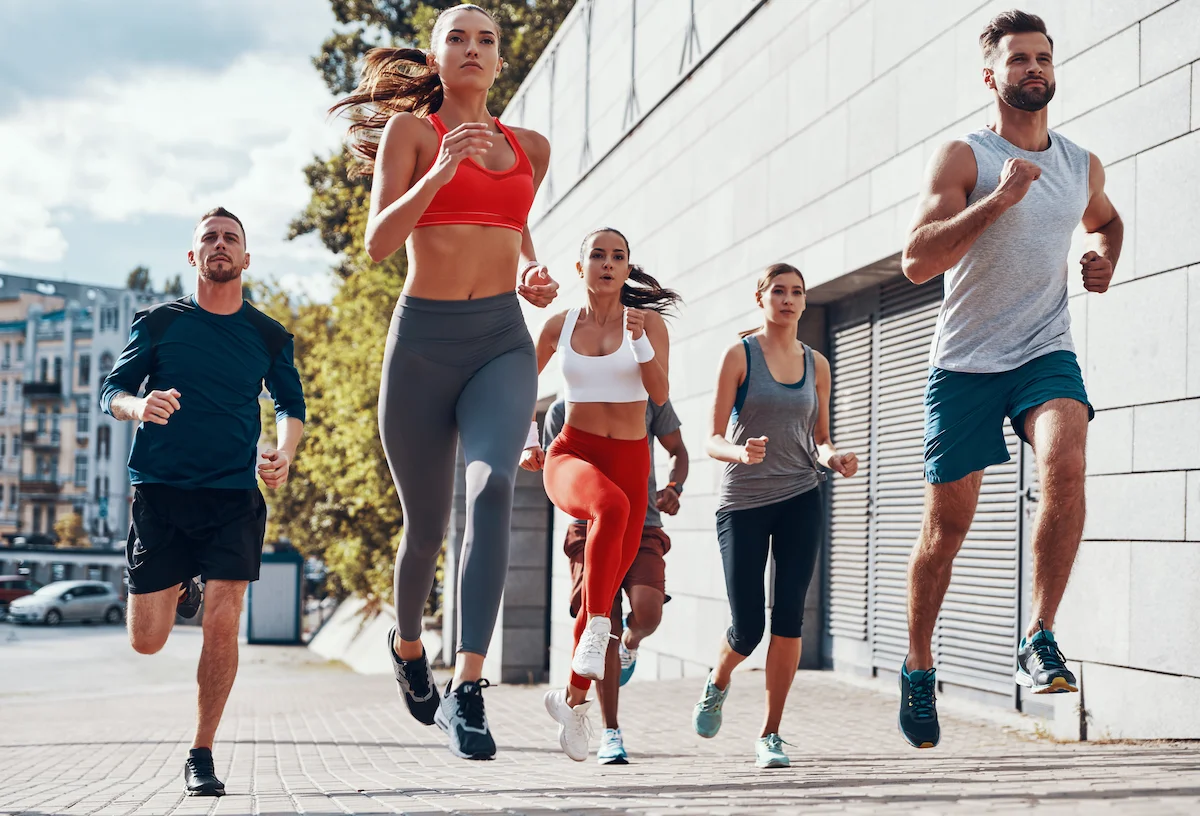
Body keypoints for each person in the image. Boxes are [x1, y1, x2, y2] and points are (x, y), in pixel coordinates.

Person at [329, 3, 558, 761]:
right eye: (455, 38)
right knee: (424, 528)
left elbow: (518, 225)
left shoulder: (530, 147)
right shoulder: (412, 134)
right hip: (422, 343)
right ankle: (407, 647)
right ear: (434, 59)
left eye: (485, 40)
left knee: (492, 488)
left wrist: (530, 268)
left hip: (500, 341)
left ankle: (469, 688)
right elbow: (377, 243)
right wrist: (442, 170)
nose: (471, 48)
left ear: (501, 61)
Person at [897, 9, 1121, 749]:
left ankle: (1039, 636)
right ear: (989, 75)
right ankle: (920, 665)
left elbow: (1106, 221)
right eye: (1019, 58)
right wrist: (998, 200)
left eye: (1043, 58)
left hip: (1043, 348)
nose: (1034, 68)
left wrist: (1103, 258)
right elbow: (916, 262)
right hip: (963, 361)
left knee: (1067, 459)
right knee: (947, 529)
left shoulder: (1081, 164)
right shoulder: (964, 156)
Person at [99, 207, 306, 797]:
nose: (220, 245)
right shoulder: (159, 323)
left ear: (245, 258)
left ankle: (202, 752)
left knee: (224, 621)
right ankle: (175, 584)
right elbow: (111, 390)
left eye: (230, 238)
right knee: (148, 641)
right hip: (161, 493)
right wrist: (139, 407)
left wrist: (284, 452)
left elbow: (291, 407)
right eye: (209, 238)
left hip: (232, 496)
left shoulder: (268, 335)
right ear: (193, 258)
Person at [692, 263, 857, 769]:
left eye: (797, 292)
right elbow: (711, 437)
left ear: (805, 302)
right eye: (779, 291)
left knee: (789, 617)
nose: (788, 299)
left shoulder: (817, 363)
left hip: (801, 495)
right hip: (743, 502)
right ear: (760, 298)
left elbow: (820, 436)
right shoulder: (739, 355)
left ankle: (770, 733)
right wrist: (740, 453)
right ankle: (718, 682)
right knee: (747, 628)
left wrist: (834, 458)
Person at [528, 227, 677, 762]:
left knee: (613, 573)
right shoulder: (559, 325)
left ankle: (572, 703)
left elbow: (659, 394)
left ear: (629, 268)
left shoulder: (649, 324)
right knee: (607, 512)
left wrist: (638, 339)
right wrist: (528, 438)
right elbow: (517, 381)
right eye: (597, 255)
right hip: (573, 456)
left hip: (632, 464)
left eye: (618, 257)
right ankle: (596, 629)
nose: (608, 264)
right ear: (580, 267)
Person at [525, 394, 689, 764]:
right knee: (602, 628)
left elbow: (677, 448)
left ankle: (632, 641)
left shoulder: (646, 396)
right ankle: (610, 731)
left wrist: (674, 487)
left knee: (648, 613)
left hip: (644, 523)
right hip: (589, 528)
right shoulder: (560, 411)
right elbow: (560, 476)